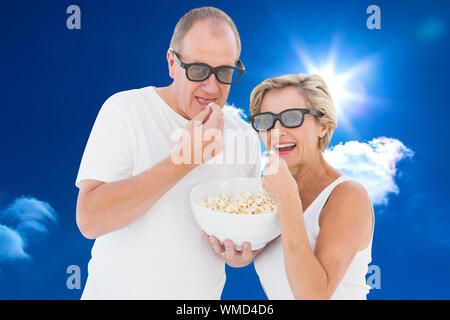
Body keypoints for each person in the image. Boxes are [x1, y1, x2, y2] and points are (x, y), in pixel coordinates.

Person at [75, 6, 261, 299]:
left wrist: (240, 255)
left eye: (225, 72)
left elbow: (244, 236)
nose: (212, 87)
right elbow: (89, 220)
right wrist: (183, 161)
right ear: (172, 63)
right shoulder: (125, 110)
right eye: (199, 69)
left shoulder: (245, 137)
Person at [248, 73, 375, 299]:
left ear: (323, 126)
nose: (277, 132)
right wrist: (239, 256)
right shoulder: (267, 194)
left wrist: (287, 200)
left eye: (292, 117)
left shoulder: (348, 195)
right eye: (266, 120)